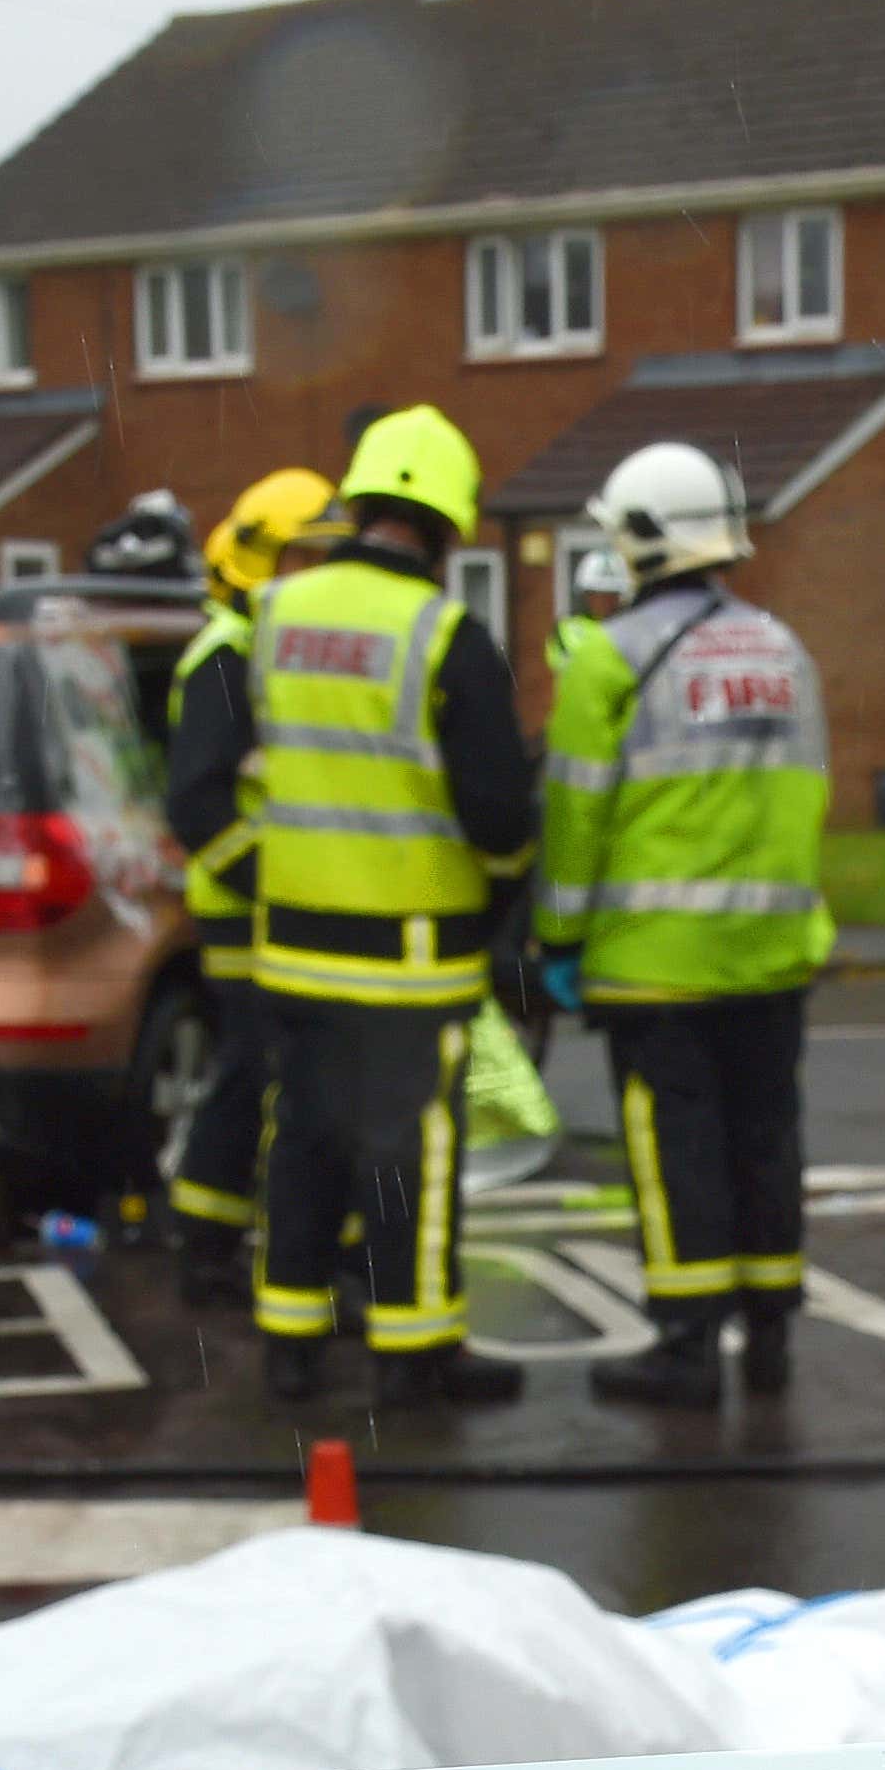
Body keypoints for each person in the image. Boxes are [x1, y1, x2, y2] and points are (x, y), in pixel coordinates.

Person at [247, 406, 539, 1407]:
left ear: (361, 501)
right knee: (409, 1155)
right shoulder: (447, 636)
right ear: (448, 528)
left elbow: (254, 770)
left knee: (305, 1139)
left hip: (292, 948)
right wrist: (505, 888)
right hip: (412, 959)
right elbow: (499, 808)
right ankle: (412, 1353)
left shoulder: (278, 616)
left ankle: (288, 1342)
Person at [535, 440, 834, 1409]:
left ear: (637, 540)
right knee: (766, 1140)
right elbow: (808, 798)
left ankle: (685, 1346)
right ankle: (773, 1331)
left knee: (677, 1155)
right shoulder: (784, 648)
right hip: (772, 959)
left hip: (656, 967)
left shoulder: (609, 659)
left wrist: (557, 940)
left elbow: (575, 815)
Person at [158, 466, 336, 1309]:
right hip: (248, 913)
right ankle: (205, 1246)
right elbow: (197, 800)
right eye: (308, 556)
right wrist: (273, 880)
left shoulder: (269, 645)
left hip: (283, 909)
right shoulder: (225, 656)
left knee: (275, 1081)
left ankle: (226, 1239)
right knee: (252, 1078)